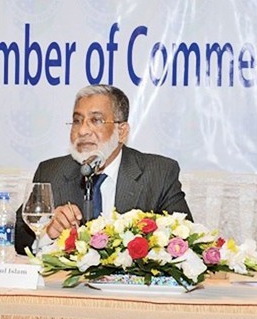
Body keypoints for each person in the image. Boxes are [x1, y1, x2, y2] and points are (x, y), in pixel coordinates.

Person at [14, 84, 192, 254]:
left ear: (121, 131)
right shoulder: (52, 172)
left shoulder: (158, 173)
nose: (82, 131)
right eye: (77, 121)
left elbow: (185, 240)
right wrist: (48, 232)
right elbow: (19, 237)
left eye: (96, 120)